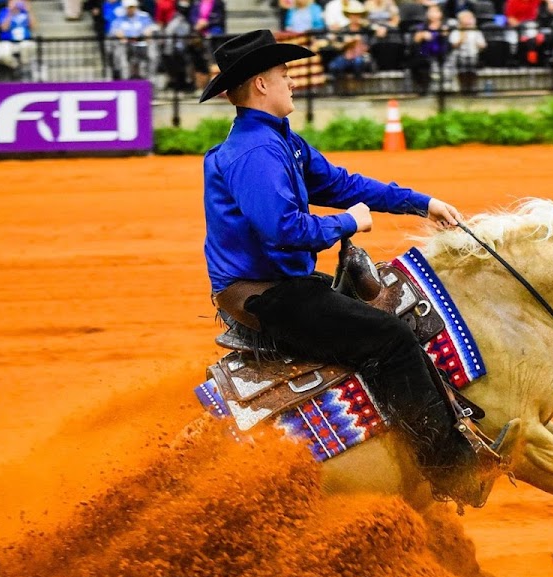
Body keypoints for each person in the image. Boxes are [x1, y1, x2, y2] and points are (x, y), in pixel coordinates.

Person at [198, 30, 498, 506]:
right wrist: (348, 223)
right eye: (284, 73)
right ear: (260, 84)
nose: (292, 82)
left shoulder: (280, 142)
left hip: (282, 283)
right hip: (266, 295)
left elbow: (339, 182)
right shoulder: (255, 153)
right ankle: (451, 471)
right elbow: (283, 230)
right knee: (392, 340)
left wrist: (421, 203)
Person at [326, 0, 373, 92]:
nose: (354, 17)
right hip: (346, 55)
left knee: (358, 62)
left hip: (361, 55)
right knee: (334, 65)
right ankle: (340, 89)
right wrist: (345, 43)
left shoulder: (366, 29)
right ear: (349, 16)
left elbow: (369, 45)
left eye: (357, 15)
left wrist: (360, 44)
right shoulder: (343, 30)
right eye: (352, 15)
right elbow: (338, 46)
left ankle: (357, 88)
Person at [110, 0, 158, 79]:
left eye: (132, 7)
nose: (131, 9)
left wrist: (148, 33)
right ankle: (125, 80)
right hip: (126, 45)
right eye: (129, 7)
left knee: (152, 54)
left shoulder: (144, 16)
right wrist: (121, 36)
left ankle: (150, 79)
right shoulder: (120, 18)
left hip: (143, 44)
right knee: (121, 53)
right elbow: (115, 29)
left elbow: (151, 27)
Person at [408, 3, 447, 95]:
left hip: (440, 53)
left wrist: (438, 34)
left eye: (435, 11)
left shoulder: (444, 26)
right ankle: (422, 89)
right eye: (430, 11)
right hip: (424, 54)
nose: (432, 14)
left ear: (440, 14)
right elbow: (415, 40)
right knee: (417, 60)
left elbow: (445, 41)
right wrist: (421, 35)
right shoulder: (422, 27)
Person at [0, 0, 38, 80]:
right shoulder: (3, 12)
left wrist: (29, 11)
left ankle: (24, 68)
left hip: (24, 40)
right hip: (7, 41)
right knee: (1, 54)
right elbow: (4, 28)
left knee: (26, 46)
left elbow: (34, 27)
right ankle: (16, 66)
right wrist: (10, 12)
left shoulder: (25, 12)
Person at [449, 8, 485, 93]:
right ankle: (463, 88)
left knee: (472, 72)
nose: (469, 20)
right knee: (462, 72)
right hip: (460, 56)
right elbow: (453, 44)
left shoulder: (476, 32)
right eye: (466, 18)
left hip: (473, 55)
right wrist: (462, 37)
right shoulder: (456, 32)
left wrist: (479, 44)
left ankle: (472, 88)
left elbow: (483, 44)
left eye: (470, 18)